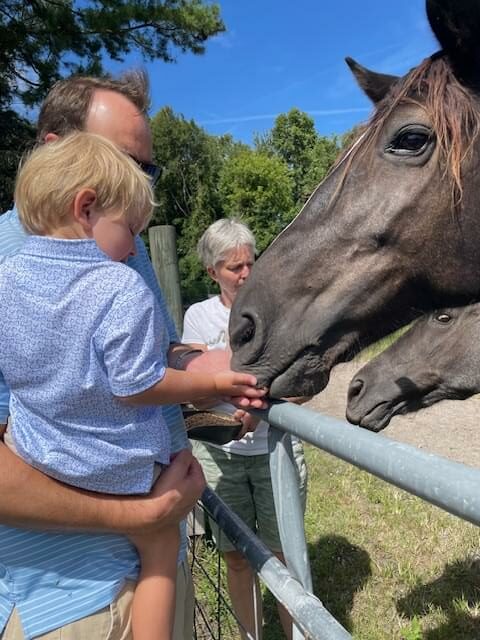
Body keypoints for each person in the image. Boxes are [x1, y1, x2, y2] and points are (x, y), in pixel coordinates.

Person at [0, 71, 248, 640]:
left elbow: (152, 355)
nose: (142, 187)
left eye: (148, 169)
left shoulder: (111, 254)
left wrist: (220, 367)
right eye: (127, 166)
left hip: (150, 554)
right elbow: (133, 380)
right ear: (58, 153)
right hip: (69, 604)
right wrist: (145, 518)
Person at [182, 218, 308, 640]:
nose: (246, 274)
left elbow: (304, 385)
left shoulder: (280, 310)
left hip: (275, 453)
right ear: (211, 271)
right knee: (237, 556)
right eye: (234, 267)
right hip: (223, 458)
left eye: (251, 263)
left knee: (283, 556)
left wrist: (259, 409)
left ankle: (294, 633)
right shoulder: (198, 318)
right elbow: (193, 395)